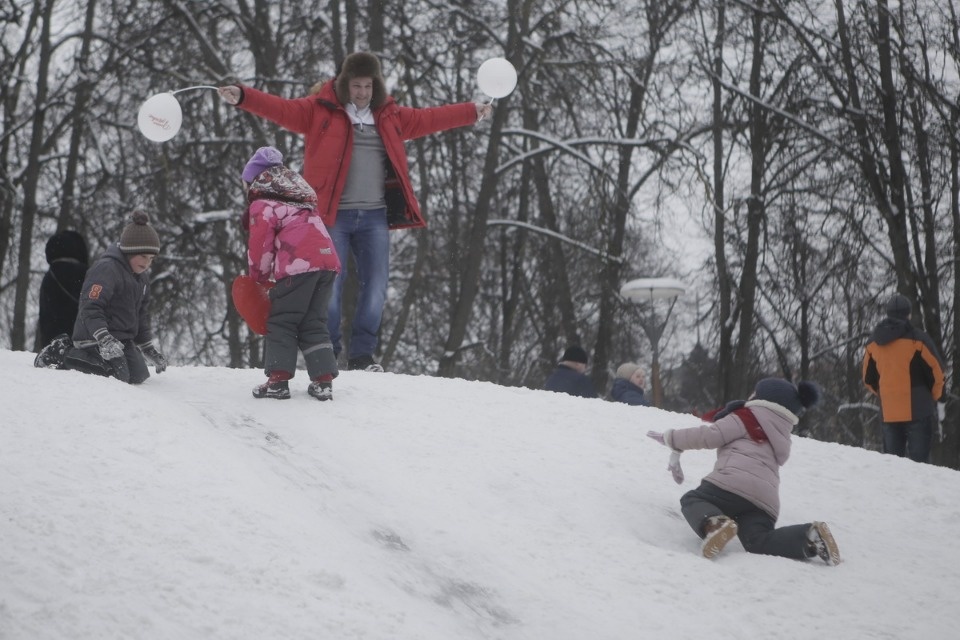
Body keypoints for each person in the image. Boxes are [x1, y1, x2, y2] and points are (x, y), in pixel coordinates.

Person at [218, 52, 493, 372]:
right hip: (331, 218)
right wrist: (243, 96)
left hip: (374, 215)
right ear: (344, 83)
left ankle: (363, 356)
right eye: (356, 85)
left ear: (376, 86)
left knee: (376, 285)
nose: (361, 92)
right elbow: (280, 108)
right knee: (331, 285)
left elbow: (431, 118)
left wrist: (472, 111)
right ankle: (328, 349)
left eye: (367, 86)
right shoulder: (318, 111)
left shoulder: (390, 117)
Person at [646, 377, 841, 565]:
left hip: (731, 485)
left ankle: (714, 524)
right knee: (757, 541)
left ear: (762, 398)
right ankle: (809, 537)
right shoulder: (782, 432)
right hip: (764, 503)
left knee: (692, 500)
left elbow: (710, 435)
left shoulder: (745, 417)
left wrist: (672, 438)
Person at [241, 146, 341, 401]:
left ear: (255, 180)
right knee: (313, 320)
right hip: (327, 263)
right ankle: (323, 380)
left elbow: (260, 244)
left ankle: (278, 380)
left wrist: (259, 278)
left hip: (299, 266)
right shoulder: (301, 200)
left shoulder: (264, 204)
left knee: (282, 319)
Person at [35, 212, 167, 384]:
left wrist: (147, 347)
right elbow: (90, 307)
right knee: (116, 374)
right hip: (94, 337)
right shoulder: (107, 270)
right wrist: (103, 337)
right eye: (143, 256)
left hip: (120, 339)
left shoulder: (141, 279)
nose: (147, 262)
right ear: (129, 251)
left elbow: (140, 315)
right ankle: (62, 353)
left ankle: (102, 354)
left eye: (151, 258)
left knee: (139, 374)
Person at [862, 293, 945, 463]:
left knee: (893, 468)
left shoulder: (873, 343)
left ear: (888, 313)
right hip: (919, 410)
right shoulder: (918, 339)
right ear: (908, 314)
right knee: (920, 468)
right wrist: (935, 397)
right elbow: (937, 372)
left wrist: (886, 393)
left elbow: (868, 379)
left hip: (889, 412)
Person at [36, 229, 90, 350]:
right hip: (81, 346)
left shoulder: (49, 276)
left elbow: (45, 318)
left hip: (53, 345)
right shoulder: (85, 274)